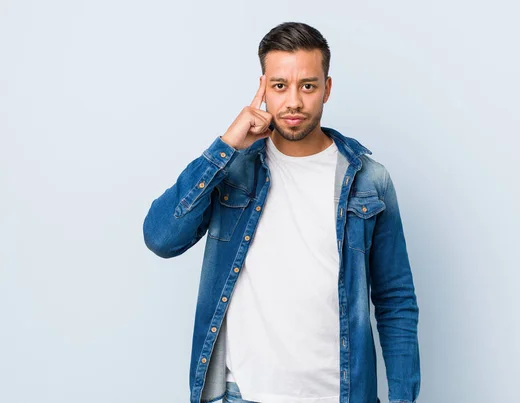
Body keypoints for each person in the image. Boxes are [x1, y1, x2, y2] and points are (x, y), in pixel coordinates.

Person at [143, 21, 420, 403]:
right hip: (241, 394)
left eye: (307, 85)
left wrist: (403, 398)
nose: (293, 101)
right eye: (279, 86)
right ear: (262, 89)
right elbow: (161, 238)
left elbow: (396, 300)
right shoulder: (233, 169)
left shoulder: (369, 180)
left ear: (327, 89)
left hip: (340, 395)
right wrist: (224, 147)